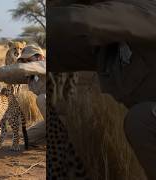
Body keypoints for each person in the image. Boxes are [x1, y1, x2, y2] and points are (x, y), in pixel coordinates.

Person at [49, 0, 156, 179]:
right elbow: (64, 50)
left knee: (141, 120)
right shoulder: (112, 48)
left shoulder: (143, 11)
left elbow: (83, 21)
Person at [0, 45, 46, 145]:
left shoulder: (44, 64)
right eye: (24, 61)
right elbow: (13, 76)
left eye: (29, 60)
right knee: (28, 138)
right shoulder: (32, 77)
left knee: (42, 99)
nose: (26, 63)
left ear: (40, 57)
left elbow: (22, 68)